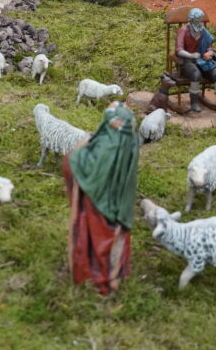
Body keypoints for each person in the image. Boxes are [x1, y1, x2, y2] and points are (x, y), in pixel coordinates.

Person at [63, 102, 138, 296]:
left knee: (94, 237)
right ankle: (113, 275)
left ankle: (94, 275)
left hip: (97, 204)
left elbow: (81, 165)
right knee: (115, 237)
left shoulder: (106, 144)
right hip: (118, 200)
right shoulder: (129, 139)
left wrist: (77, 152)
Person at [174, 8, 216, 113]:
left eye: (200, 20)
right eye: (196, 20)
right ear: (191, 20)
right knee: (196, 74)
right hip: (187, 61)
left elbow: (208, 47)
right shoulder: (183, 31)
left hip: (202, 60)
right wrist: (191, 55)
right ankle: (194, 102)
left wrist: (210, 53)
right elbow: (179, 50)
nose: (199, 23)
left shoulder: (203, 31)